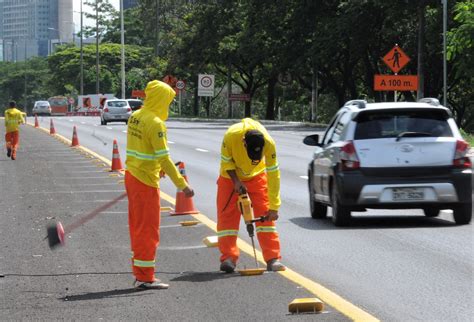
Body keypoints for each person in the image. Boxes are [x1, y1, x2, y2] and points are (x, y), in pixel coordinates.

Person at [125, 80, 194, 289]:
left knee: (138, 227)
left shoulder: (135, 116)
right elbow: (164, 157)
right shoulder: (155, 123)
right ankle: (145, 277)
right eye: (168, 101)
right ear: (161, 100)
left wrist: (157, 168)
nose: (169, 105)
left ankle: (141, 273)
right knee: (148, 230)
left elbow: (143, 149)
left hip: (133, 175)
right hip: (145, 181)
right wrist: (183, 186)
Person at [217, 118, 286, 273]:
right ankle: (228, 257)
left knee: (265, 214)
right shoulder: (231, 136)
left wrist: (274, 207)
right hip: (230, 177)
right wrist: (236, 181)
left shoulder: (269, 143)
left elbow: (274, 174)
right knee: (227, 217)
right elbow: (226, 162)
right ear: (244, 143)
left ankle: (272, 258)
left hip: (257, 176)